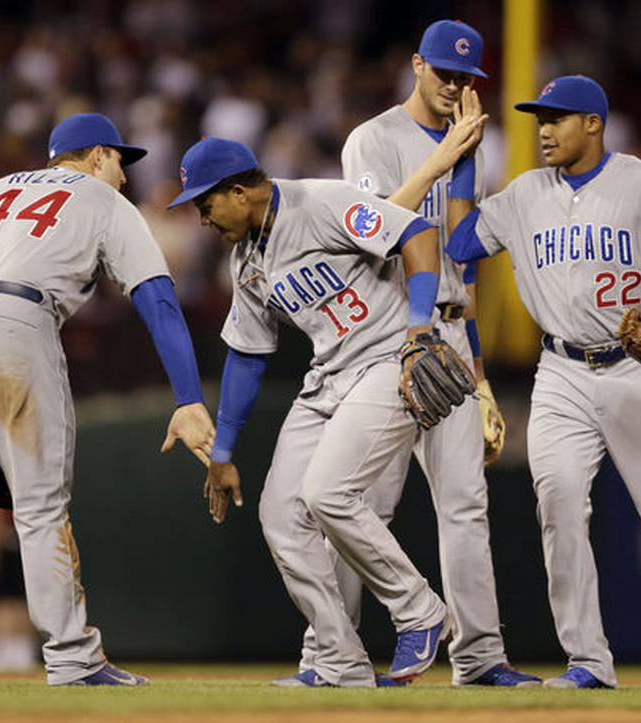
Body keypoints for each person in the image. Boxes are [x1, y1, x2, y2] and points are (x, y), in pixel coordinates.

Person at [446, 75, 641, 691]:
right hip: (559, 371)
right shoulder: (525, 193)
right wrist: (461, 162)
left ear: (594, 123)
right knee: (557, 504)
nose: (545, 130)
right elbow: (458, 243)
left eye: (558, 118)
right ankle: (588, 661)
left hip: (638, 369)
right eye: (540, 120)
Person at [0, 112, 215, 686]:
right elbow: (156, 297)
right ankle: (74, 658)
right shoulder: (103, 200)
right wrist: (187, 395)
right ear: (97, 154)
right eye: (120, 163)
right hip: (15, 320)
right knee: (39, 502)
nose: (125, 178)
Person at [167, 136, 463, 688]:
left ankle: (419, 610)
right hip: (329, 375)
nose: (202, 219)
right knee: (280, 514)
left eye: (204, 204)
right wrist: (223, 453)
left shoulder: (322, 202)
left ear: (238, 192)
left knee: (328, 493)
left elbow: (416, 233)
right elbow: (247, 356)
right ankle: (338, 659)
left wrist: (420, 325)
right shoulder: (246, 258)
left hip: (389, 357)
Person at [296, 19, 540, 688]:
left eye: (466, 77)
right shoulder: (371, 139)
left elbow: (459, 253)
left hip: (451, 333)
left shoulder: (470, 147)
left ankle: (479, 655)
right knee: (356, 500)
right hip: (384, 337)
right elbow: (376, 234)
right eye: (444, 72)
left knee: (465, 502)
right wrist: (443, 159)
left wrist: (482, 371)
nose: (454, 85)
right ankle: (329, 657)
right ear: (415, 65)